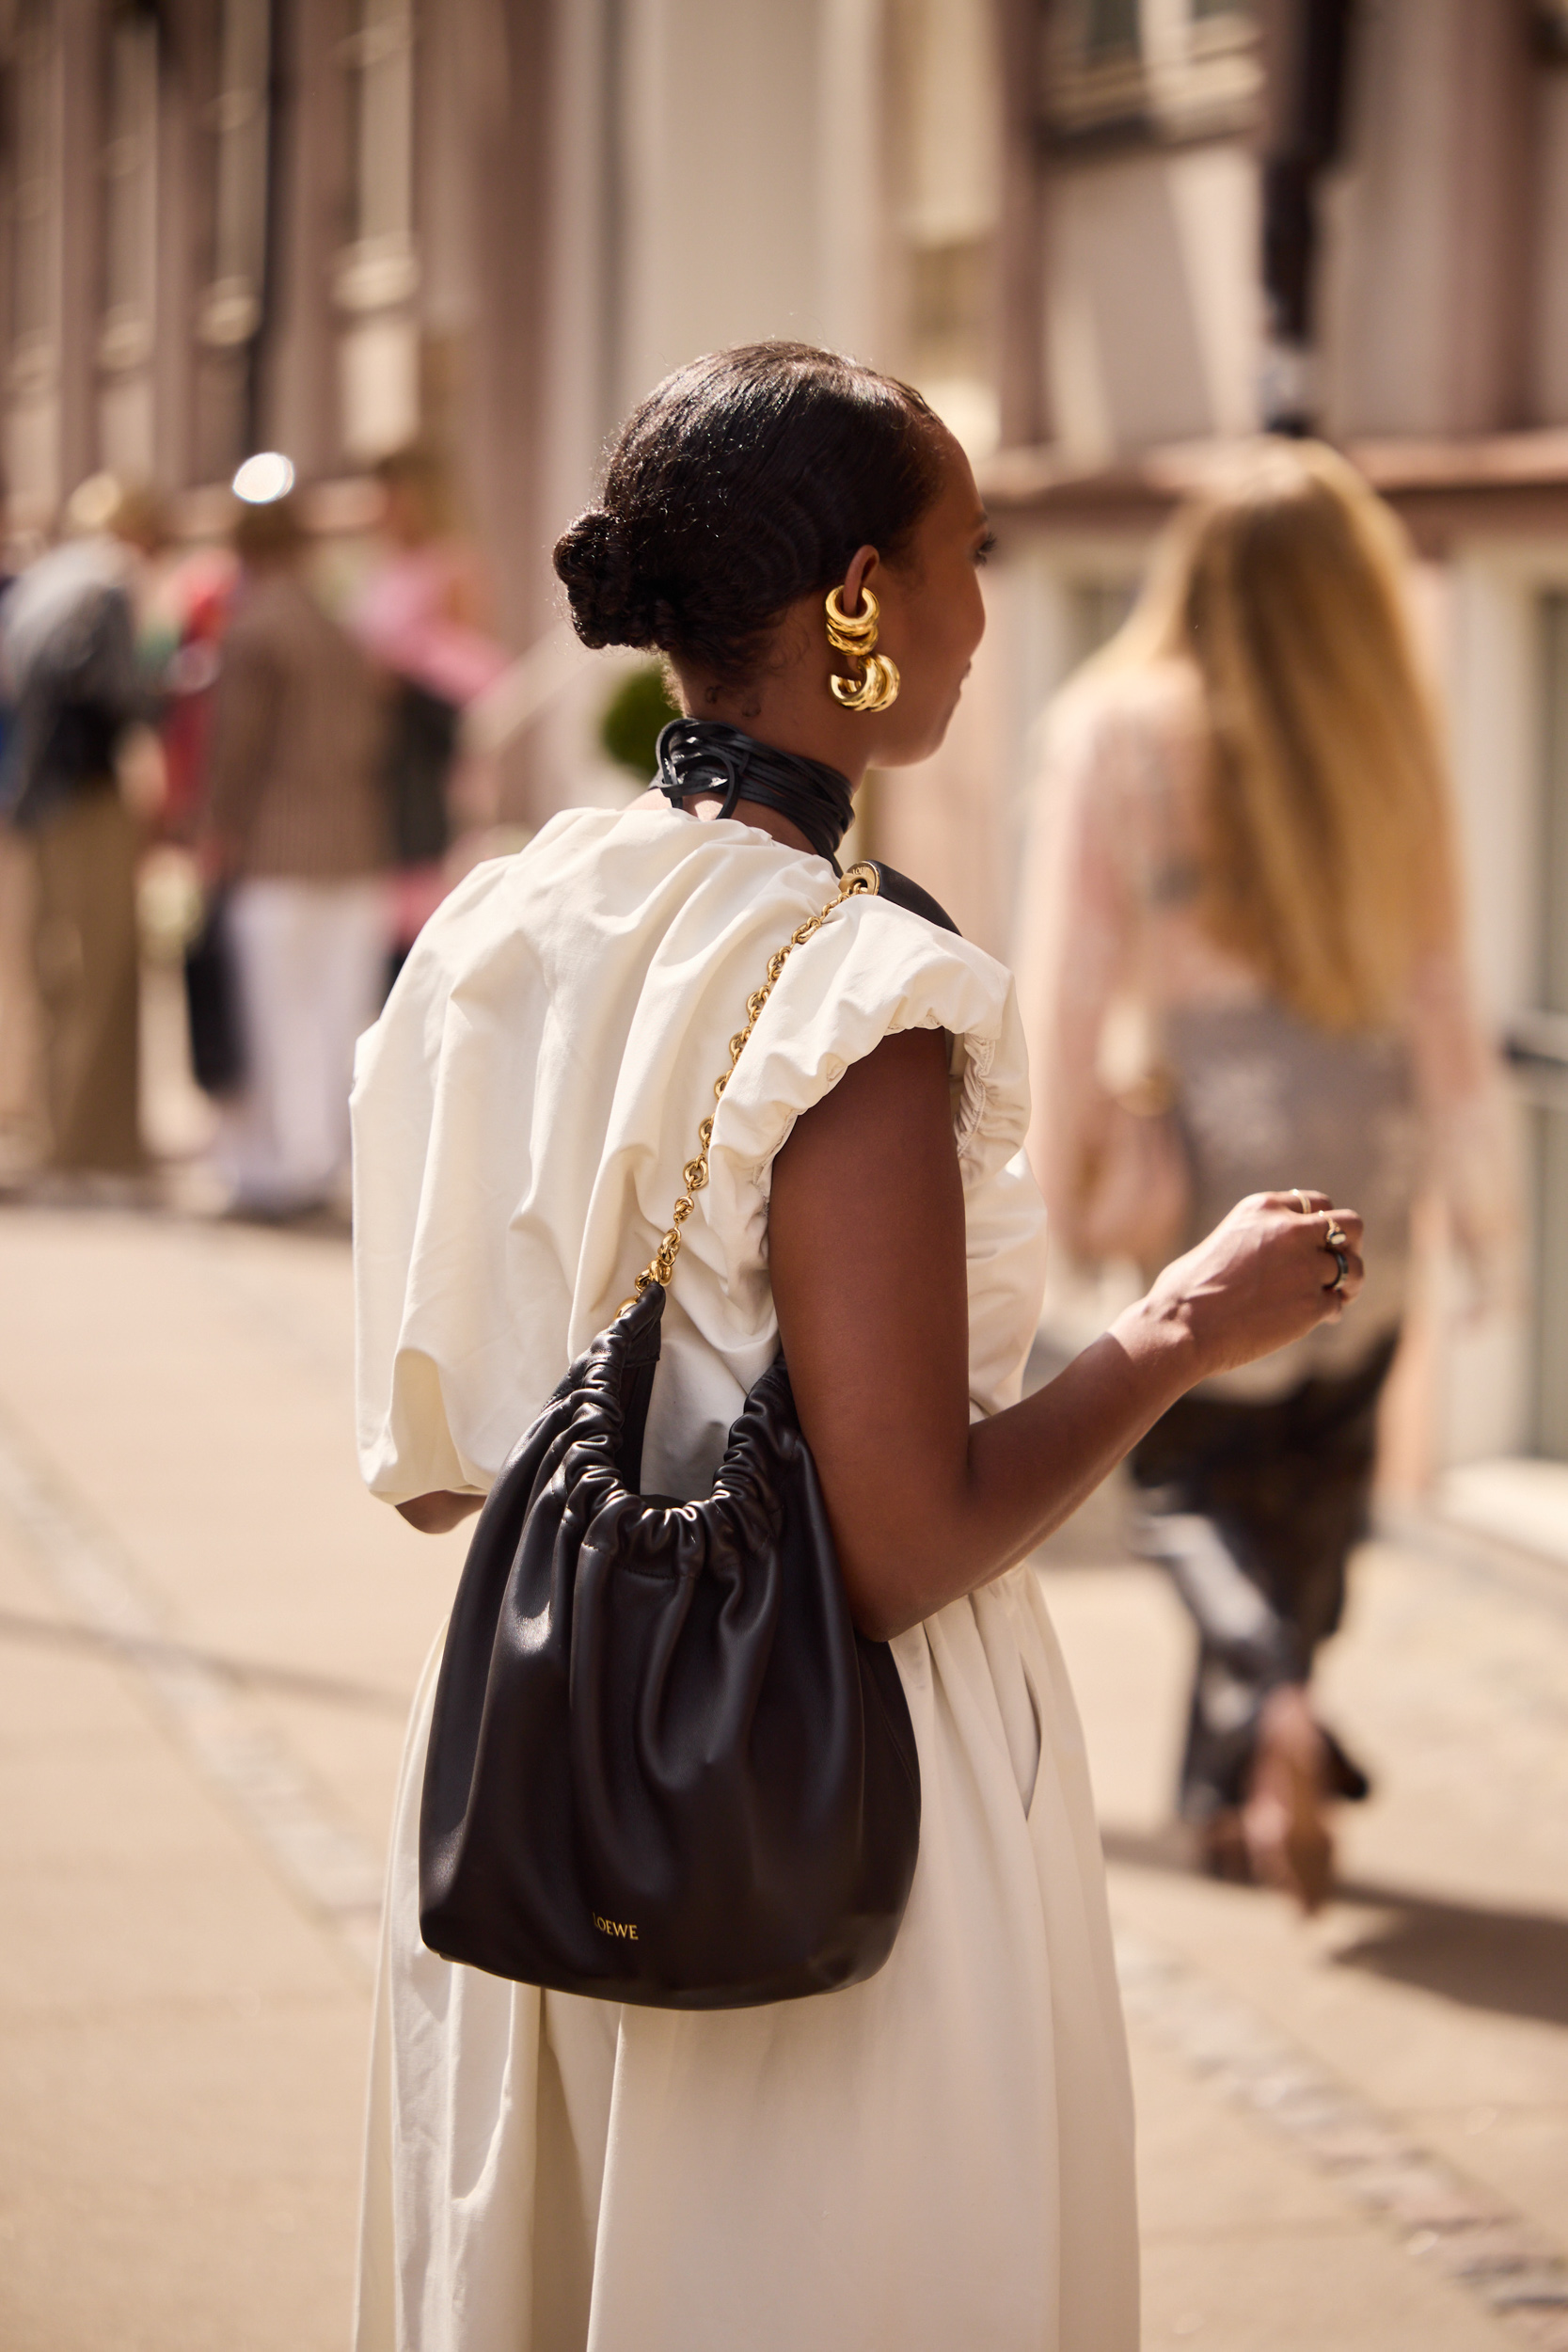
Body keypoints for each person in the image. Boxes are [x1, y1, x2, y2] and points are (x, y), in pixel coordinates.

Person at [350, 344, 1365, 2352]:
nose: (981, 605)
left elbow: (454, 1458)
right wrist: (1179, 1325)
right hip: (811, 1797)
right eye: (962, 550)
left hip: (532, 1777)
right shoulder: (861, 994)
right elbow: (895, 1543)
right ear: (857, 603)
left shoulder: (504, 924)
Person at [1016, 439, 1511, 1912]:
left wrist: (1052, 1175)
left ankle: (1265, 1703)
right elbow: (1437, 984)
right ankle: (1250, 1753)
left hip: (1210, 1159)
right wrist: (1482, 1208)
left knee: (1183, 1484)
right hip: (1370, 1143)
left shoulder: (1116, 728)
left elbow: (1065, 978)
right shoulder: (1387, 734)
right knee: (1316, 1475)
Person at [201, 492, 388, 1216]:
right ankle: (333, 1166)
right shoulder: (342, 631)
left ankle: (274, 1170)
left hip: (277, 845)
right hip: (354, 841)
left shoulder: (255, 631)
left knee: (272, 1015)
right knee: (343, 1015)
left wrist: (215, 830)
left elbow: (235, 752)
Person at [0, 475, 158, 1180]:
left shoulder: (45, 579)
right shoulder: (111, 582)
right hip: (87, 795)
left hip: (34, 800)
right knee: (103, 976)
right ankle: (95, 1151)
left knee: (54, 975)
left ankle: (55, 1137)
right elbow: (120, 696)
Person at [348, 444, 507, 988]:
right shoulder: (380, 569)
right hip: (385, 743)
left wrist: (407, 662)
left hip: (430, 740)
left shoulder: (452, 566)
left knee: (429, 862)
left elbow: (476, 666)